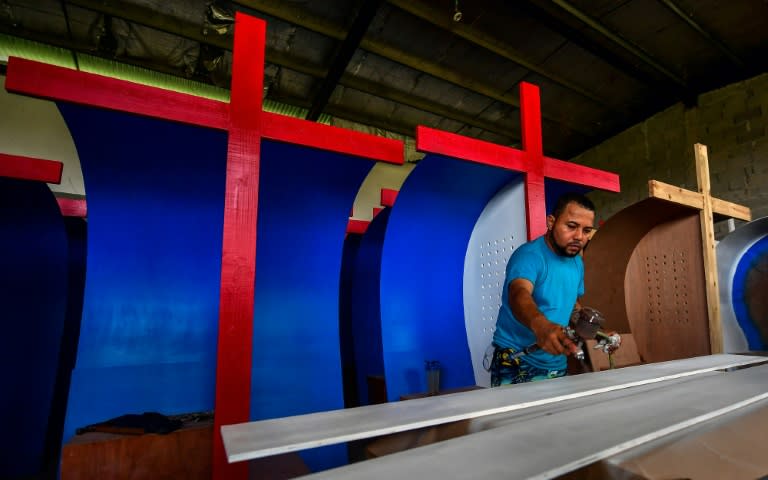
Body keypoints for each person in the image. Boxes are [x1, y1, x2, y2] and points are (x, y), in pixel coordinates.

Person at [490, 192, 596, 386]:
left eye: (587, 230)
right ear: (551, 222)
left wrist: (598, 332)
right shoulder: (529, 256)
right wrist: (542, 326)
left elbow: (571, 304)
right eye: (571, 226)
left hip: (556, 363)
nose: (579, 237)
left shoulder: (576, 262)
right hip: (518, 360)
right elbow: (518, 294)